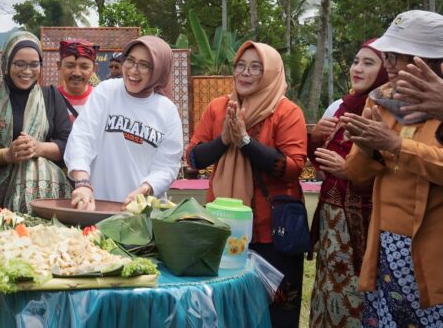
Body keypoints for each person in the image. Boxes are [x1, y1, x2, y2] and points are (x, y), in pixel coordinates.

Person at [186, 41, 307, 327]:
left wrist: (245, 142)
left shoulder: (286, 112)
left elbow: (291, 168)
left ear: (271, 73)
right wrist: (225, 140)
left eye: (256, 67)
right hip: (224, 228)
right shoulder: (219, 108)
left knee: (276, 311)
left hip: (273, 231)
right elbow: (193, 157)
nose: (245, 73)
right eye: (240, 65)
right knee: (225, 309)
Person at [341, 10, 443, 327]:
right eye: (388, 55)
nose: (389, 65)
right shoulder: (382, 102)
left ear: (432, 62)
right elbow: (357, 175)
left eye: (399, 57)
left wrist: (396, 145)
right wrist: (370, 146)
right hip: (387, 248)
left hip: (432, 252)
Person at [307, 40, 389, 327]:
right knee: (328, 287)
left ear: (384, 71)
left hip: (364, 220)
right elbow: (319, 162)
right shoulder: (340, 106)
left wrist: (350, 170)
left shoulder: (387, 110)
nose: (358, 68)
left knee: (358, 293)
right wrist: (315, 138)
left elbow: (392, 166)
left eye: (369, 63)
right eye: (356, 61)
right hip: (331, 218)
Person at [64, 35, 183, 209]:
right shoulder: (107, 91)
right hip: (98, 206)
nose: (134, 70)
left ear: (159, 70)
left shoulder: (167, 111)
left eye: (144, 65)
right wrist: (82, 182)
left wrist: (145, 189)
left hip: (141, 213)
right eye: (130, 60)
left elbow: (167, 166)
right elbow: (82, 137)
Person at [0, 32, 72, 212]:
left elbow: (68, 143)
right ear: (7, 64)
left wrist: (38, 148)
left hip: (48, 199)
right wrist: (7, 155)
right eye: (19, 64)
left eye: (34, 65)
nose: (27, 71)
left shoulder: (50, 96)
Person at [56, 39, 98, 122]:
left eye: (84, 67)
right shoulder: (50, 100)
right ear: (59, 66)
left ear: (94, 68)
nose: (76, 73)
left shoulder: (100, 99)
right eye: (70, 66)